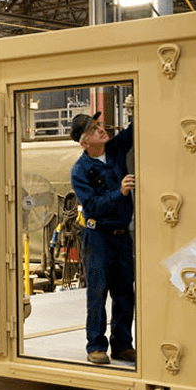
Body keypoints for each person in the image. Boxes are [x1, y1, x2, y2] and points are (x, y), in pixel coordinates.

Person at [69, 111, 137, 365]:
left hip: (122, 236)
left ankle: (122, 345)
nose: (101, 129)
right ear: (84, 142)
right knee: (98, 293)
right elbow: (93, 207)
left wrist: (138, 107)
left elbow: (134, 130)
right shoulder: (80, 171)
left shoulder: (115, 148)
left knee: (125, 292)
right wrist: (120, 192)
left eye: (99, 125)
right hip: (98, 237)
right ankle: (96, 346)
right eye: (94, 129)